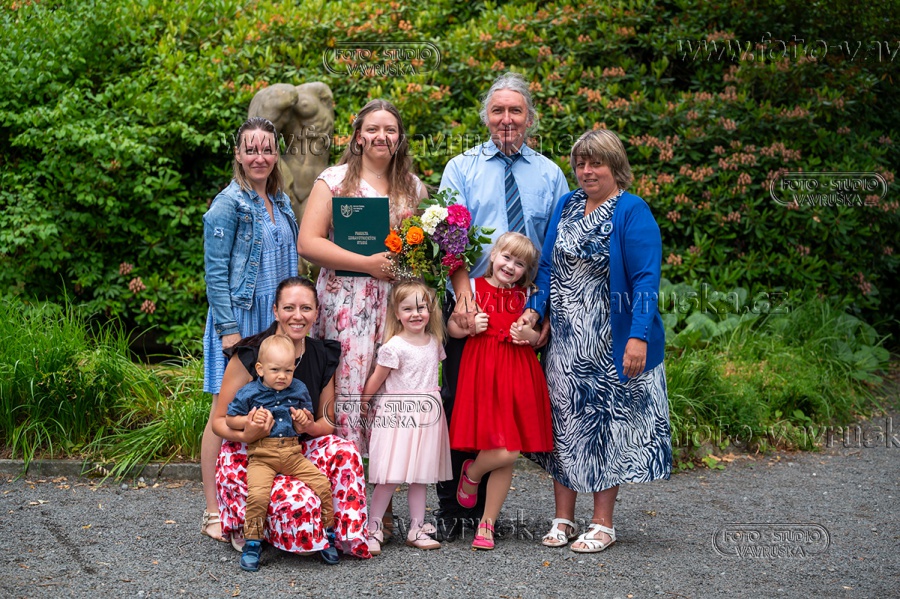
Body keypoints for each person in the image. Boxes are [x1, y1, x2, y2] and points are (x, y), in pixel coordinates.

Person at [520, 129, 671, 553]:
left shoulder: (632, 210)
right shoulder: (567, 204)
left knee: (606, 427)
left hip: (610, 341)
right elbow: (547, 267)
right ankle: (563, 518)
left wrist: (638, 337)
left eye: (596, 163)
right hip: (565, 342)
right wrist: (535, 310)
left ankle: (603, 523)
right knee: (564, 424)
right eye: (581, 163)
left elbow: (646, 280)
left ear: (615, 166)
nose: (587, 171)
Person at [435, 72, 569, 540]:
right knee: (460, 401)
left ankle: (489, 515)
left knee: (510, 406)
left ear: (530, 118)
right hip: (472, 300)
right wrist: (462, 295)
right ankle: (455, 512)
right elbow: (449, 238)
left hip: (524, 306)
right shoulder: (462, 167)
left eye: (515, 110)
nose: (506, 119)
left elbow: (555, 252)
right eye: (498, 110)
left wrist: (540, 311)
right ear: (486, 117)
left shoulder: (550, 174)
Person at [298, 99, 428, 457]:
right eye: (372, 129)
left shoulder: (413, 188)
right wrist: (366, 264)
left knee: (388, 388)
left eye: (390, 130)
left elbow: (421, 253)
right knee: (346, 386)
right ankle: (342, 474)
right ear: (358, 137)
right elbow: (308, 242)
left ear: (400, 138)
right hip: (345, 303)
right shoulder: (334, 181)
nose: (381, 136)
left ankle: (384, 482)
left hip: (394, 305)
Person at [212, 277, 371, 560]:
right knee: (300, 503)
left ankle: (341, 535)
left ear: (316, 312)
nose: (298, 316)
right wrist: (247, 433)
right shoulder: (250, 354)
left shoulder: (322, 354)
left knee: (346, 451)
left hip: (297, 450)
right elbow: (220, 421)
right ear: (275, 311)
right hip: (252, 452)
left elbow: (326, 423)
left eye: (306, 308)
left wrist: (308, 425)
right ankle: (251, 528)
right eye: (289, 308)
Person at [200, 117, 299, 543]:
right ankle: (214, 511)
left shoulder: (281, 200)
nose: (260, 157)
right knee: (224, 414)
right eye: (251, 149)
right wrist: (228, 330)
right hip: (240, 321)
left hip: (274, 323)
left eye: (267, 149)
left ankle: (256, 512)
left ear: (276, 153)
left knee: (263, 414)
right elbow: (215, 272)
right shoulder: (228, 204)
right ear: (238, 154)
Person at [447, 233, 554, 550]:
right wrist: (468, 327)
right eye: (506, 257)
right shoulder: (473, 288)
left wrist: (528, 335)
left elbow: (538, 338)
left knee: (509, 450)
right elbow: (451, 328)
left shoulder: (527, 297)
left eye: (519, 263)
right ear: (493, 255)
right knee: (503, 448)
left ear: (526, 270)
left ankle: (487, 522)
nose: (510, 266)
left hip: (518, 375)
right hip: (483, 375)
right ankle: (473, 475)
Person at [225, 334, 337, 570]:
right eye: (275, 370)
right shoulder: (248, 393)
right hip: (262, 456)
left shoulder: (298, 389)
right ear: (260, 369)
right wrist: (249, 420)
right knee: (258, 496)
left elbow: (306, 418)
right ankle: (252, 543)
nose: (282, 376)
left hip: (292, 453)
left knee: (322, 485)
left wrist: (302, 420)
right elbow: (230, 419)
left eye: (288, 370)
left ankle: (328, 534)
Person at [361, 282, 452, 555]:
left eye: (421, 307)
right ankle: (373, 528)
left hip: (427, 416)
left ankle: (416, 528)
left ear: (430, 310)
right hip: (400, 415)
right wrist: (363, 403)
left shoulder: (434, 342)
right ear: (397, 313)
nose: (416, 314)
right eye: (408, 309)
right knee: (390, 476)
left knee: (420, 477)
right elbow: (377, 379)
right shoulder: (394, 346)